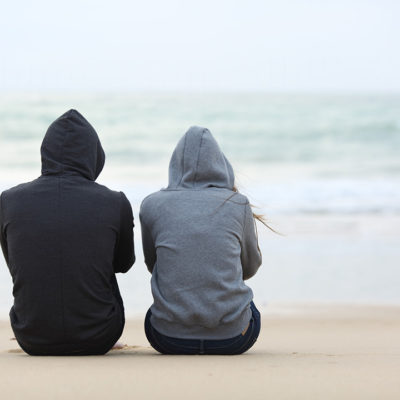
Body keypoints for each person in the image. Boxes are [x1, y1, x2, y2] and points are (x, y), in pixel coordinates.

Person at [0, 109, 135, 356]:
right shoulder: (114, 202)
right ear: (94, 155)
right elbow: (124, 264)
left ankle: (43, 322)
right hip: (100, 336)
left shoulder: (8, 201)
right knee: (97, 263)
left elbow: (16, 264)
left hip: (30, 336)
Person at [140, 126, 262, 355]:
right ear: (221, 164)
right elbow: (251, 267)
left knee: (154, 314)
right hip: (234, 338)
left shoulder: (152, 204)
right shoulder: (238, 204)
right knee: (250, 308)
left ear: (175, 165)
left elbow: (154, 265)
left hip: (168, 339)